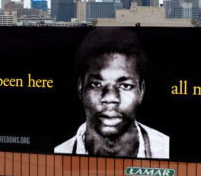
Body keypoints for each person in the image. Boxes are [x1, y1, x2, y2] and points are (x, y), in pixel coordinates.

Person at [55, 28, 169, 159]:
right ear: (81, 88)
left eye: (125, 86)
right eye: (96, 84)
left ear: (141, 90)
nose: (110, 98)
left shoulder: (166, 150)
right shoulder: (56, 155)